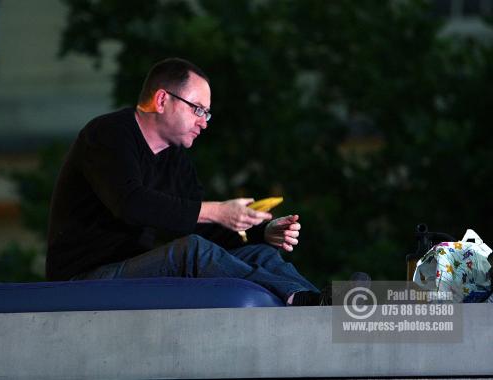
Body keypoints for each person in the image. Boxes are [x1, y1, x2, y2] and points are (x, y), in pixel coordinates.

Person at [46, 57, 323, 305]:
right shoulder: (108, 134)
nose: (204, 122)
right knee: (191, 250)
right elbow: (130, 202)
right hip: (83, 279)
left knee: (261, 254)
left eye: (207, 113)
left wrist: (262, 231)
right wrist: (217, 211)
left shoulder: (175, 158)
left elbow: (201, 225)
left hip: (130, 268)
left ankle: (328, 304)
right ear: (163, 100)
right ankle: (301, 300)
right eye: (198, 109)